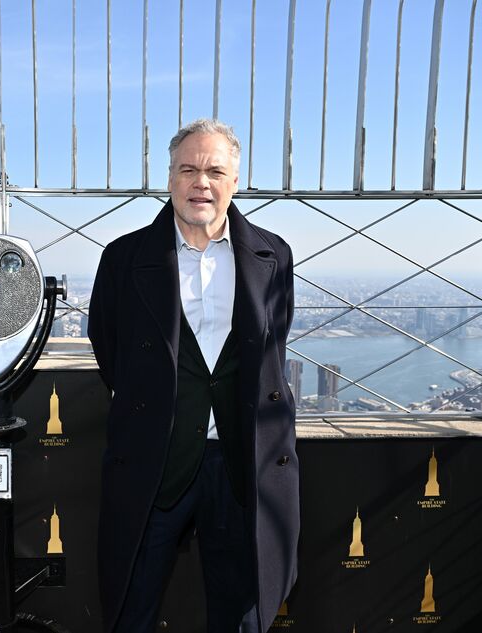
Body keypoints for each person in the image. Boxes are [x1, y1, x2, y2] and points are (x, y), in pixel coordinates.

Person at [88, 119, 298, 633]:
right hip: (155, 461)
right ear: (170, 178)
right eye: (188, 169)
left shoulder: (273, 256)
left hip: (241, 461)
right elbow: (108, 346)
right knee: (130, 608)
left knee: (240, 612)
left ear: (235, 180)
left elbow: (272, 345)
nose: (200, 182)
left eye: (213, 170)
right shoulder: (123, 258)